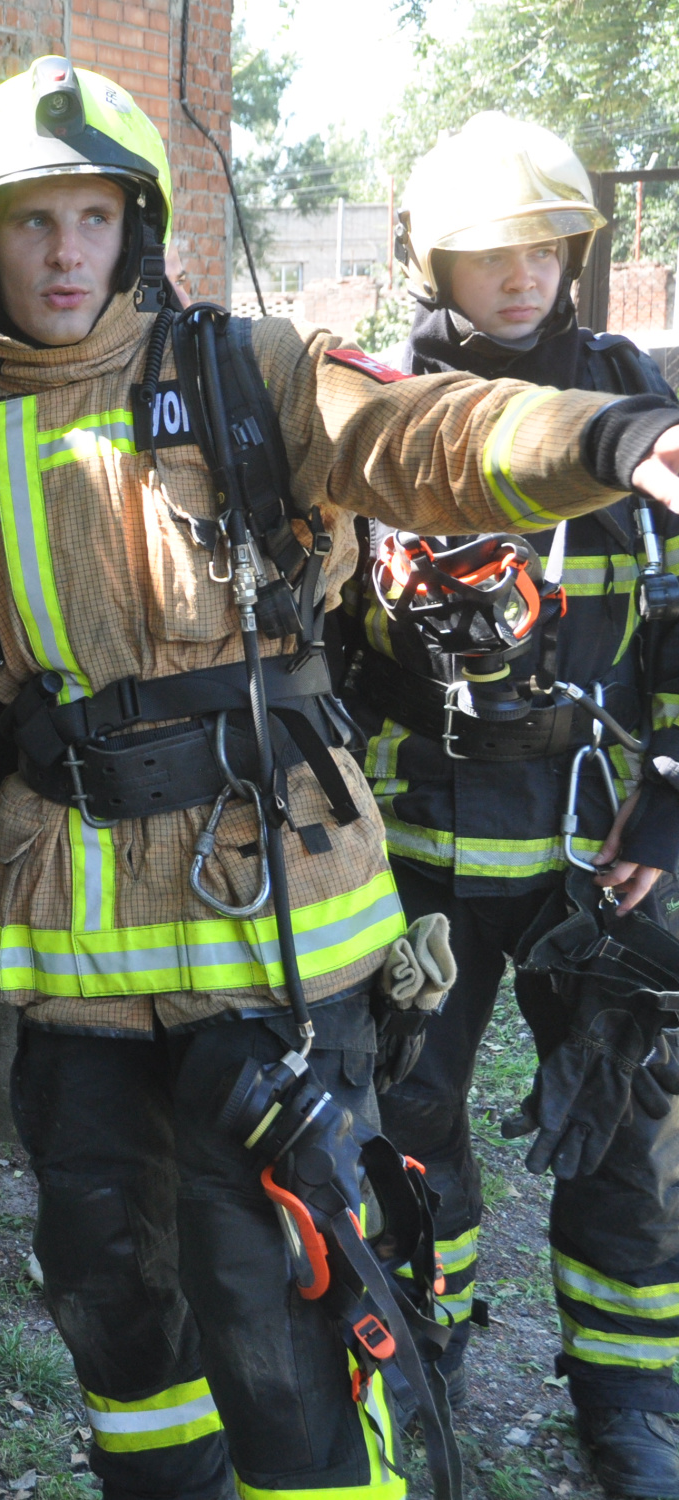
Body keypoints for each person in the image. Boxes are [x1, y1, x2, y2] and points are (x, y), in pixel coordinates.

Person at [0, 57, 679, 1500]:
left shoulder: (251, 375)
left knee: (283, 1305)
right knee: (112, 1299)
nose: (63, 254)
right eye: (30, 223)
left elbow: (431, 433)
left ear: (136, 228)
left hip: (278, 958)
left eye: (90, 219)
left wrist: (614, 435)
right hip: (71, 973)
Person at [336, 112, 679, 1494]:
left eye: (546, 246)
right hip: (419, 847)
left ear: (578, 255)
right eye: (491, 252)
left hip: (599, 854)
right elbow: (326, 648)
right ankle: (430, 1356)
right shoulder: (378, 417)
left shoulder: (635, 411)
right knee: (409, 1124)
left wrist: (663, 818)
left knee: (615, 1129)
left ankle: (629, 1402)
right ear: (435, 260)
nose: (522, 275)